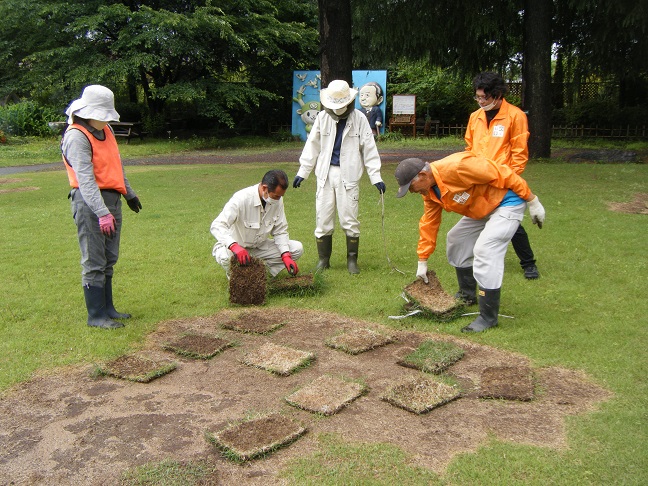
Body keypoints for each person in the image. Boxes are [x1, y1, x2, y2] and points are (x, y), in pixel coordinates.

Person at [394, 154, 545, 332]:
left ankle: (488, 317)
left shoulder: (458, 167)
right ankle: (467, 295)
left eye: (411, 187)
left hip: (507, 202)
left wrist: (532, 200)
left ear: (423, 175)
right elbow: (429, 223)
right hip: (483, 209)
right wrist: (422, 260)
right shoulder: (430, 191)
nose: (412, 192)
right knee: (456, 239)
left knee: (486, 249)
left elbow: (503, 173)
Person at [62, 85, 142, 330]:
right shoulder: (77, 136)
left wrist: (129, 194)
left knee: (109, 258)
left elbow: (116, 166)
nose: (106, 119)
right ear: (88, 112)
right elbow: (85, 180)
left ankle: (108, 308)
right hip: (90, 205)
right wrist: (102, 213)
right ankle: (95, 315)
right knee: (94, 260)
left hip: (111, 200)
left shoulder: (105, 130)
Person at [293, 79, 385, 274]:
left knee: (349, 218)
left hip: (349, 175)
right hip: (325, 175)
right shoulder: (322, 118)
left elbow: (369, 148)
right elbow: (312, 146)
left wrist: (375, 176)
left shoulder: (359, 119)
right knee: (323, 218)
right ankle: (323, 260)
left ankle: (352, 260)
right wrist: (303, 171)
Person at [465, 72, 540, 280]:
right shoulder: (475, 117)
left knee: (510, 221)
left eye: (484, 98)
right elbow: (470, 148)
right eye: (477, 97)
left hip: (504, 180)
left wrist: (509, 180)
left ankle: (528, 264)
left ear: (497, 95)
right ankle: (473, 257)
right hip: (480, 180)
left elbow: (519, 154)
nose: (480, 101)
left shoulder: (515, 116)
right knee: (480, 217)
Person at [211, 169, 302, 278]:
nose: (279, 199)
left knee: (297, 249)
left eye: (281, 196)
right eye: (276, 196)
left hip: (259, 248)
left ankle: (262, 276)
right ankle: (238, 276)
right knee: (225, 258)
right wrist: (234, 246)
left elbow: (280, 231)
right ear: (264, 188)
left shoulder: (277, 201)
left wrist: (286, 256)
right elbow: (217, 225)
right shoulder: (241, 198)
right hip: (237, 250)